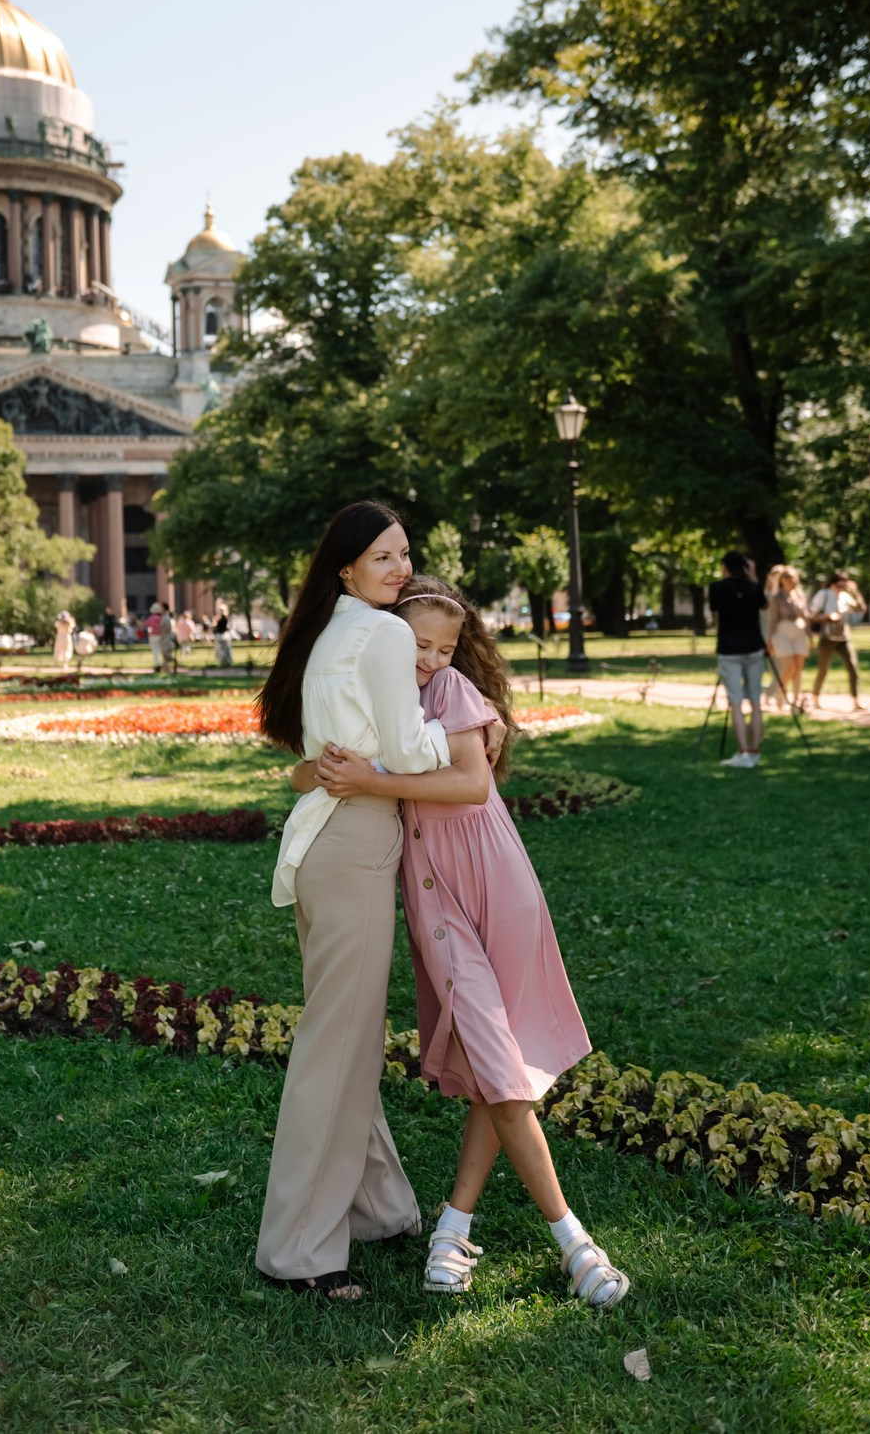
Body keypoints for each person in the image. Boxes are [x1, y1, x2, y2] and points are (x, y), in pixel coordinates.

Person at [300, 575, 627, 1310]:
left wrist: (371, 779)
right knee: (496, 1059)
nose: (430, 658)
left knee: (499, 1060)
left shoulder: (449, 694)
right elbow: (309, 771)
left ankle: (473, 1232)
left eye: (446, 647)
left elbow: (472, 787)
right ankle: (559, 1240)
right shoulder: (374, 696)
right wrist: (342, 772)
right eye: (417, 643)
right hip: (436, 901)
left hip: (498, 884)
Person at [254, 502, 472, 1302]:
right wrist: (466, 724)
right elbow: (411, 748)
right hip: (354, 842)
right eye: (383, 557)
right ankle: (300, 1251)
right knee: (336, 1044)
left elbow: (318, 755)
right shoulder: (381, 634)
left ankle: (378, 1207)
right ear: (345, 567)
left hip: (322, 843)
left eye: (405, 554)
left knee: (342, 1033)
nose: (400, 569)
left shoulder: (329, 631)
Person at [707, 553, 767, 767]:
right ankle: (754, 750)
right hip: (754, 646)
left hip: (729, 648)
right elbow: (763, 605)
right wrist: (752, 576)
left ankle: (743, 752)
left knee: (736, 701)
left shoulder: (717, 588)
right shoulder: (753, 587)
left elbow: (716, 617)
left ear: (725, 567)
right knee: (755, 701)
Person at [809, 570, 866, 710]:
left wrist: (855, 592)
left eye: (843, 586)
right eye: (838, 585)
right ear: (832, 584)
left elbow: (861, 608)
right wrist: (828, 616)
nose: (840, 588)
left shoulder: (846, 596)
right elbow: (813, 616)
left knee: (852, 667)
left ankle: (856, 700)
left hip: (843, 637)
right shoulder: (823, 595)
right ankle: (815, 699)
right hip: (827, 637)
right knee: (823, 669)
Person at [765, 564, 809, 711]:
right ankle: (780, 693)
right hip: (782, 632)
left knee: (798, 668)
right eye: (786, 577)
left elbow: (805, 615)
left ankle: (796, 701)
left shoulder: (800, 595)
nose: (789, 580)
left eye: (791, 577)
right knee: (789, 666)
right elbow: (773, 620)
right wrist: (770, 639)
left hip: (799, 631)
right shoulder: (777, 597)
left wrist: (810, 634)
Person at [212, 600, 233, 667]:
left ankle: (224, 661)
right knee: (225, 649)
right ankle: (226, 661)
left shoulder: (222, 619)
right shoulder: (225, 618)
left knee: (221, 649)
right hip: (225, 635)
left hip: (221, 635)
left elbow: (218, 627)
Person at [146, 602, 165, 672]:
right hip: (161, 636)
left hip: (153, 636)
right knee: (162, 651)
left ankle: (157, 665)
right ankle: (163, 664)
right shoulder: (162, 618)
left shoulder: (151, 618)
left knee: (155, 651)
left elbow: (146, 625)